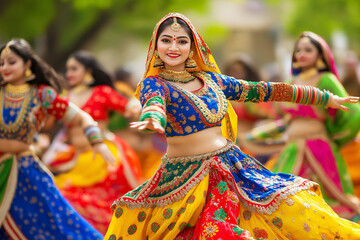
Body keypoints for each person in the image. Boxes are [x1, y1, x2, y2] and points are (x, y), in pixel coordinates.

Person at [104, 13, 360, 240]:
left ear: (192, 46)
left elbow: (264, 90)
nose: (174, 47)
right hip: (184, 178)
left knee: (293, 210)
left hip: (230, 167)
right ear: (155, 45)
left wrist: (323, 97)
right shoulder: (155, 83)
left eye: (182, 41)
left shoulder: (213, 80)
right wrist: (153, 119)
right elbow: (154, 104)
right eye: (166, 40)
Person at [0, 39, 111, 239]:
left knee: (57, 226)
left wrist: (97, 142)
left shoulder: (42, 94)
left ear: (27, 64)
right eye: (1, 64)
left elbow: (82, 117)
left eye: (11, 62)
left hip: (24, 173)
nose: (5, 68)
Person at [252, 31, 360, 220]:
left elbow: (349, 111)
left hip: (319, 148)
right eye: (298, 50)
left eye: (308, 50)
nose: (301, 54)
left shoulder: (326, 80)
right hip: (292, 149)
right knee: (280, 198)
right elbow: (282, 119)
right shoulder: (290, 83)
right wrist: (255, 136)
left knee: (331, 202)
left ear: (321, 55)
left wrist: (336, 137)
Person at [42, 50, 142, 234]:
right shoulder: (65, 96)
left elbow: (127, 106)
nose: (69, 73)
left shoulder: (101, 92)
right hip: (74, 157)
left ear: (88, 71)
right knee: (53, 196)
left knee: (79, 201)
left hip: (101, 157)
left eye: (74, 69)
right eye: (67, 69)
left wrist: (137, 106)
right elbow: (45, 120)